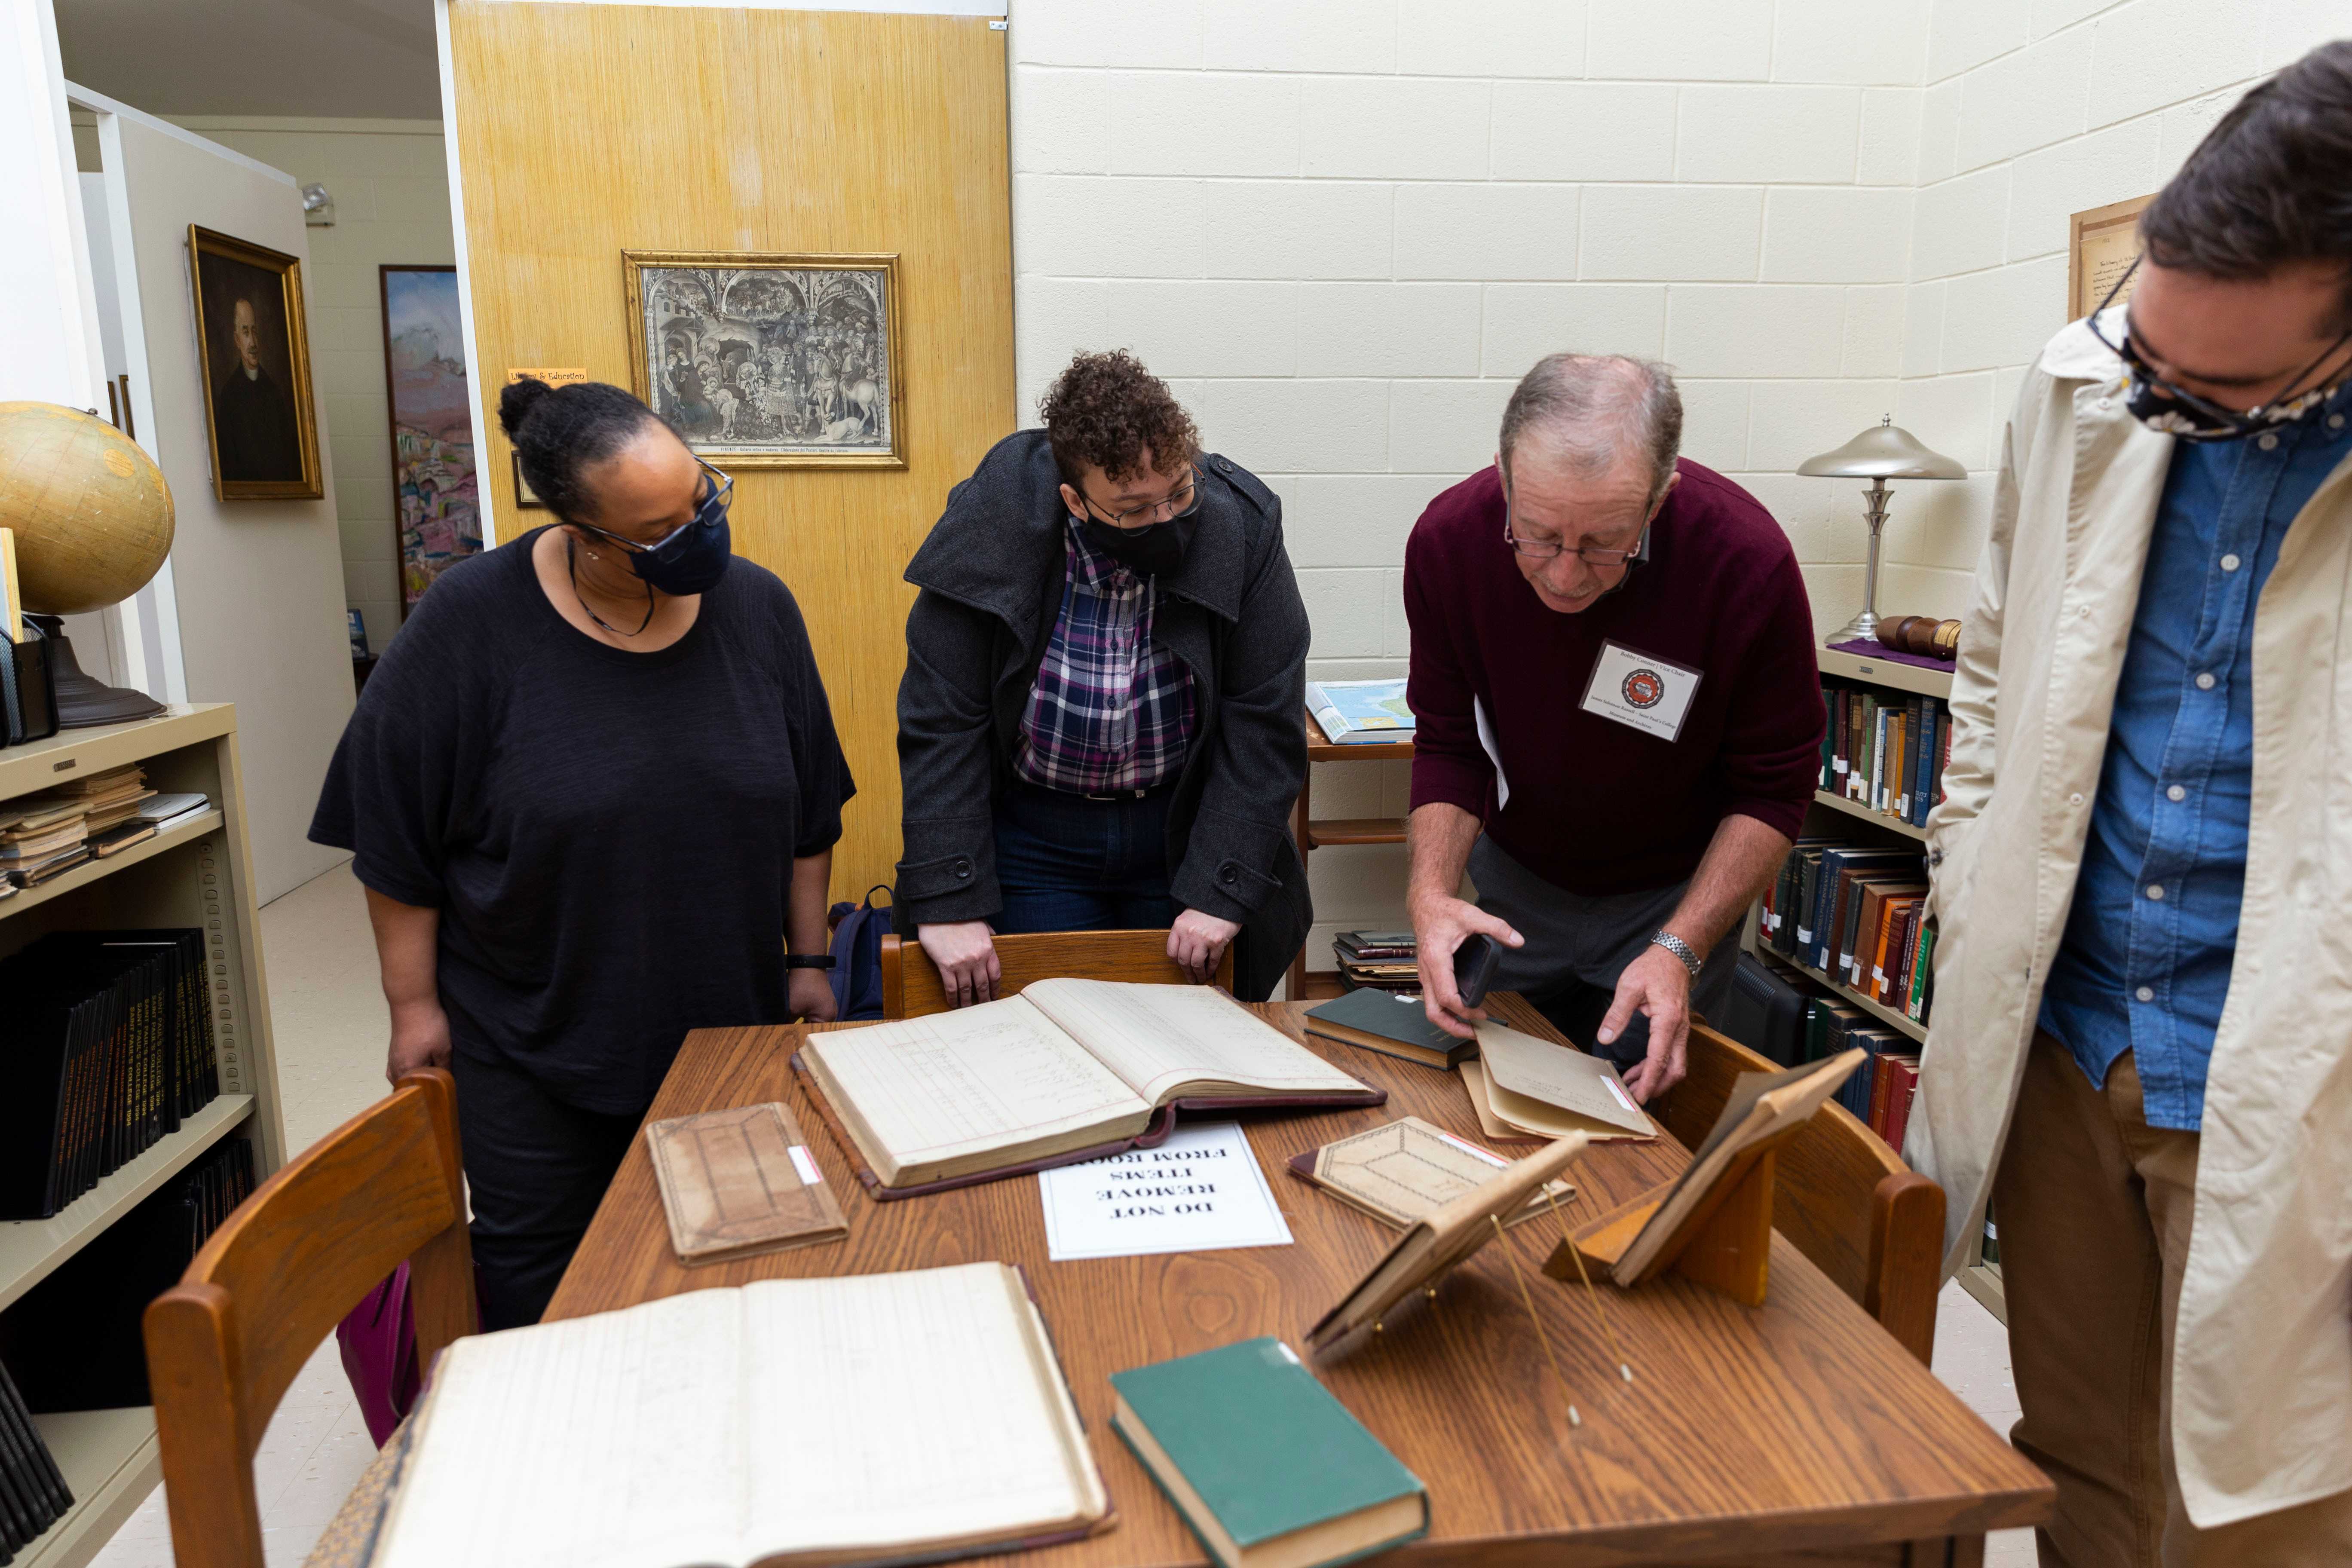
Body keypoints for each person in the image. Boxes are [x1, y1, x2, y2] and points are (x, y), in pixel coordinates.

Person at [1906, 43, 2352, 1565]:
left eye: (2209, 393)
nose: (2148, 398)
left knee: (2260, 1503)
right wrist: (1969, 871)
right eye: (2140, 356)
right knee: (2078, 1457)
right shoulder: (2082, 377)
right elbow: (1992, 665)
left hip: (2284, 1076)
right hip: (2066, 1027)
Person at [311, 377, 853, 1331]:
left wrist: (808, 962)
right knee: (544, 1286)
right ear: (585, 532)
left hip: (726, 1025)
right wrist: (412, 1006)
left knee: (733, 1265)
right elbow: (392, 837)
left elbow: (810, 816)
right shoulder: (469, 625)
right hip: (531, 1034)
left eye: (703, 500)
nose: (700, 533)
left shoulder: (761, 611)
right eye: (661, 528)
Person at [1403, 354, 1821, 1100]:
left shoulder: (1745, 563)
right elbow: (1449, 740)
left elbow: (1773, 785)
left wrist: (1679, 947)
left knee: (1645, 1121)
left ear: (1660, 499)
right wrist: (1430, 894)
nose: (1564, 575)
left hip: (1670, 898)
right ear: (1503, 475)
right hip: (1518, 890)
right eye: (1534, 535)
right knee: (1477, 1095)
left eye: (1603, 543)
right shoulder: (1447, 543)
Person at [897, 349, 1310, 1001]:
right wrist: (949, 894)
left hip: (1181, 835)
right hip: (1038, 841)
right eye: (1134, 509)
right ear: (1075, 500)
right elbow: (941, 718)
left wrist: (1221, 890)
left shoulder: (1239, 528)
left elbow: (1264, 722)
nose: (1165, 521)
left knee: (1185, 1048)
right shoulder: (993, 523)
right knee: (1052, 1037)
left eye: (1178, 492)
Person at [212, 296, 302, 482]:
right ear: (237, 340)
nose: (253, 342)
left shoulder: (274, 393)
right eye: (246, 333)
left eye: (254, 331)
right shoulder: (229, 397)